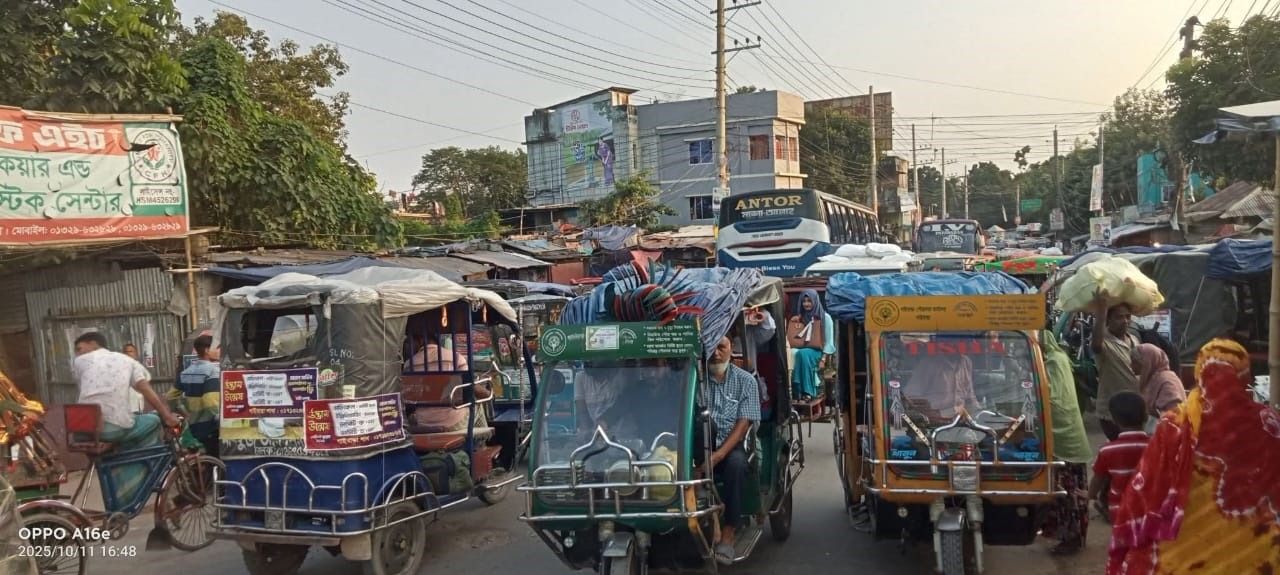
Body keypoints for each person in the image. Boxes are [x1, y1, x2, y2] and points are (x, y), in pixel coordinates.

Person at [1106, 338, 1280, 574]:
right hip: (1254, 545)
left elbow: (1148, 486)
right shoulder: (1269, 422)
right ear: (1244, 375)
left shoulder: (1176, 424)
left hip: (1184, 548)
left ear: (1200, 373)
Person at [73, 332, 180, 504]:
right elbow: (146, 390)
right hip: (115, 427)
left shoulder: (79, 362)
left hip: (83, 430)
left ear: (93, 344)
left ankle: (123, 471)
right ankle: (138, 480)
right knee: (153, 420)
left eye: (80, 348)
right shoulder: (129, 362)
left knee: (129, 430)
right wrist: (166, 416)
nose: (78, 353)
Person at [698, 337, 760, 565]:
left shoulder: (746, 381)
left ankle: (730, 529)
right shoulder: (698, 379)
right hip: (700, 446)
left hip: (730, 447)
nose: (716, 353)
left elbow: (743, 425)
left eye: (721, 347)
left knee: (736, 465)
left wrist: (717, 456)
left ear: (731, 349)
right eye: (712, 347)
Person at [1040, 331, 1093, 555]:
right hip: (1069, 435)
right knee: (1068, 490)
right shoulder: (1058, 358)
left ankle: (1071, 538)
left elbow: (1051, 396)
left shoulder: (1053, 362)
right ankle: (1070, 536)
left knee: (1067, 493)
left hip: (1064, 436)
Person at [1088, 391, 1149, 523]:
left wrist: (1090, 495)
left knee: (1124, 542)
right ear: (1146, 416)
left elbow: (1098, 479)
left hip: (1119, 510)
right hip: (1149, 509)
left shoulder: (1108, 450)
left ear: (1114, 420)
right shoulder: (1156, 446)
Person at [1091, 293, 1139, 440]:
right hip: (1111, 412)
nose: (1125, 321)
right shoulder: (1105, 342)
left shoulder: (1135, 340)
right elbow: (1096, 344)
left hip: (1134, 408)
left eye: (1127, 317)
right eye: (1119, 317)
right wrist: (1101, 312)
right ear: (1108, 320)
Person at [169, 335, 221, 456]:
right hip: (212, 426)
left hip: (194, 426)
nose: (220, 351)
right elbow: (210, 400)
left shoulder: (186, 372)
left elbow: (170, 397)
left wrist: (184, 414)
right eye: (217, 348)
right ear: (207, 350)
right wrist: (221, 420)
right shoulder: (213, 371)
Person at [904, 352, 978, 421]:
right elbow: (911, 398)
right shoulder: (929, 363)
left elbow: (970, 397)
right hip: (934, 421)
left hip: (961, 420)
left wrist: (979, 414)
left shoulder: (966, 361)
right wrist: (932, 414)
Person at [789, 290, 835, 401]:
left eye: (809, 301)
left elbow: (829, 342)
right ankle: (794, 391)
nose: (806, 304)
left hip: (819, 351)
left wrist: (823, 359)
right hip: (803, 350)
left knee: (803, 354)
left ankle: (807, 392)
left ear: (815, 301)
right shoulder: (801, 317)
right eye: (804, 301)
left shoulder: (825, 318)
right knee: (791, 353)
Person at [1132, 342, 1186, 433]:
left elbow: (1173, 415)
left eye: (1134, 362)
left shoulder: (1167, 382)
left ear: (1146, 363)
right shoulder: (1153, 379)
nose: (1131, 365)